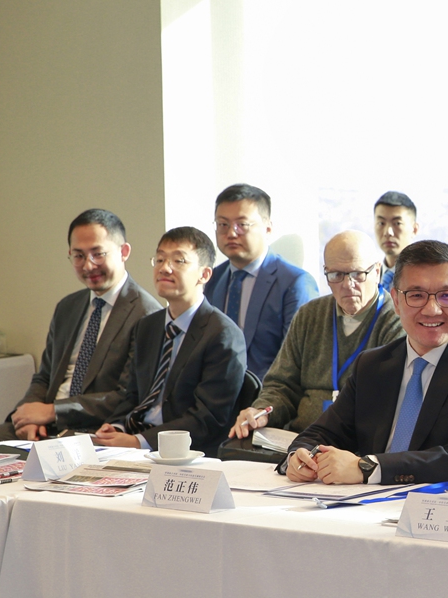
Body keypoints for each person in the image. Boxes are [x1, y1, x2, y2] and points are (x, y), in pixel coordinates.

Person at [285, 240, 448, 485]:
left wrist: (368, 468)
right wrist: (300, 458)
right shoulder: (372, 365)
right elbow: (321, 433)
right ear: (395, 301)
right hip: (369, 507)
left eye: (447, 295)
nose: (432, 309)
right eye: (416, 295)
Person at [0, 209, 162, 441]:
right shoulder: (67, 307)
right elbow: (44, 377)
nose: (88, 265)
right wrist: (28, 414)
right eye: (78, 256)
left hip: (94, 430)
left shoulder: (147, 314)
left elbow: (127, 397)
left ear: (124, 252)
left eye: (98, 254)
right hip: (45, 426)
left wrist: (53, 411)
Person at [229, 231, 403, 438]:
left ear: (377, 272)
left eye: (357, 274)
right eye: (337, 275)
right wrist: (263, 411)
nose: (348, 285)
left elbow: (387, 404)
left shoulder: (396, 320)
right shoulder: (309, 314)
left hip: (355, 443)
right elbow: (282, 385)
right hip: (298, 438)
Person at [92, 227, 246, 456]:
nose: (164, 268)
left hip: (186, 454)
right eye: (160, 259)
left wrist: (139, 442)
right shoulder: (147, 326)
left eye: (179, 260)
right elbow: (131, 395)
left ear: (204, 275)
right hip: (134, 446)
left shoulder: (222, 334)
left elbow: (208, 418)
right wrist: (116, 426)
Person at [205, 183, 318, 377]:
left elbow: (300, 362)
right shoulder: (211, 280)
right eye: (223, 224)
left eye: (242, 225)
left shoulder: (295, 283)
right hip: (215, 398)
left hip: (268, 400)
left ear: (267, 228)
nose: (231, 233)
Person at [374, 191, 419, 293]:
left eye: (397, 223)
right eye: (381, 223)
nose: (388, 232)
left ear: (414, 229)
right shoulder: (369, 277)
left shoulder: (427, 277)